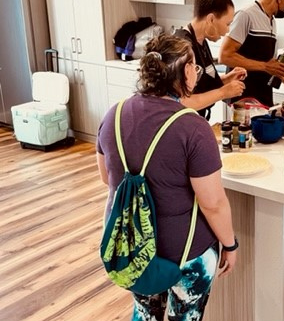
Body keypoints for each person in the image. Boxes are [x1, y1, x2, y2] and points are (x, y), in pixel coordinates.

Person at [96, 34, 238, 320]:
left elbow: (106, 177)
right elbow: (213, 203)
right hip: (185, 253)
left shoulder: (114, 114)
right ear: (186, 71)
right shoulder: (193, 128)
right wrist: (230, 244)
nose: (196, 73)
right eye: (195, 67)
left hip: (133, 247)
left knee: (145, 312)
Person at [219, 0, 284, 107]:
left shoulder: (271, 20)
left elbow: (265, 62)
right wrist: (265, 66)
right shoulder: (246, 15)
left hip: (262, 97)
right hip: (242, 99)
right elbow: (225, 56)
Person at [174, 0, 247, 120]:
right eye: (227, 24)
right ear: (211, 19)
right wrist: (223, 92)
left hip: (197, 120)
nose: (227, 31)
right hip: (182, 124)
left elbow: (203, 85)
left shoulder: (201, 40)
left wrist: (227, 79)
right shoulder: (183, 47)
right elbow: (182, 101)